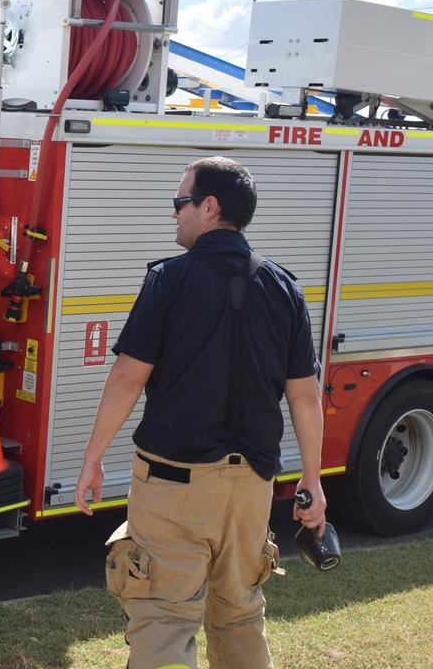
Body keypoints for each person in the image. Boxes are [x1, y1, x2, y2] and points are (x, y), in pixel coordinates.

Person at [72, 156, 327, 668]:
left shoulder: (169, 279)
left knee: (165, 621)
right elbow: (304, 396)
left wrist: (92, 458)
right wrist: (314, 482)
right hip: (251, 489)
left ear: (209, 207)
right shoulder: (284, 288)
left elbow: (127, 377)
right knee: (239, 617)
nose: (174, 214)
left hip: (173, 487)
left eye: (179, 202)